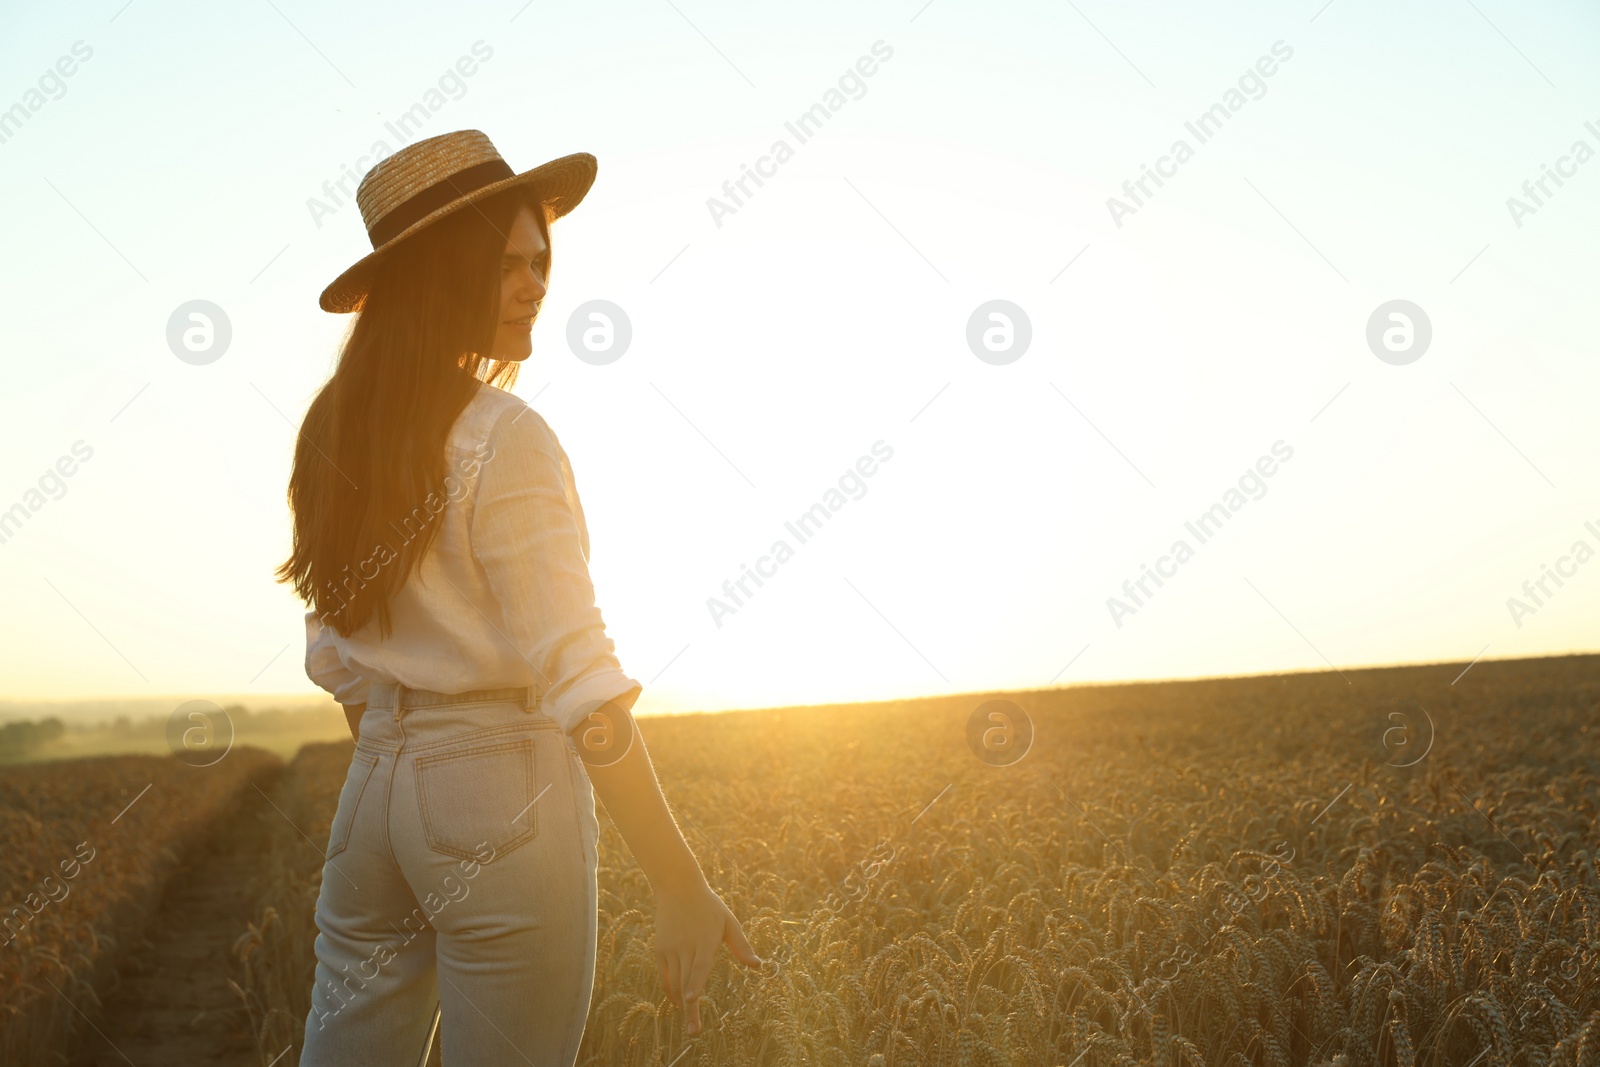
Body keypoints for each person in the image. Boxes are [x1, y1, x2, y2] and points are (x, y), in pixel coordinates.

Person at [275, 129, 758, 1067]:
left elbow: (335, 660)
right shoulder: (507, 435)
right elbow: (580, 677)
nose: (536, 284)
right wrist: (677, 880)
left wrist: (403, 764)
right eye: (506, 265)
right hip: (501, 784)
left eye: (541, 261)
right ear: (438, 275)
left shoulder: (331, 432)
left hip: (372, 788)